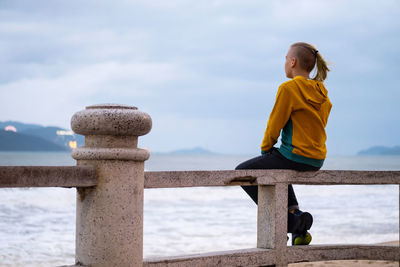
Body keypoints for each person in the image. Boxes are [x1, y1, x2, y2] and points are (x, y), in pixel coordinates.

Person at [235, 42, 332, 245]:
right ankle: (298, 225)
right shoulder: (322, 91)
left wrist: (265, 149)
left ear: (293, 62)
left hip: (294, 155)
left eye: (286, 58)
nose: (285, 62)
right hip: (316, 159)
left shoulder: (288, 88)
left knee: (241, 172)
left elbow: (274, 124)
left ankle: (288, 221)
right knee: (278, 165)